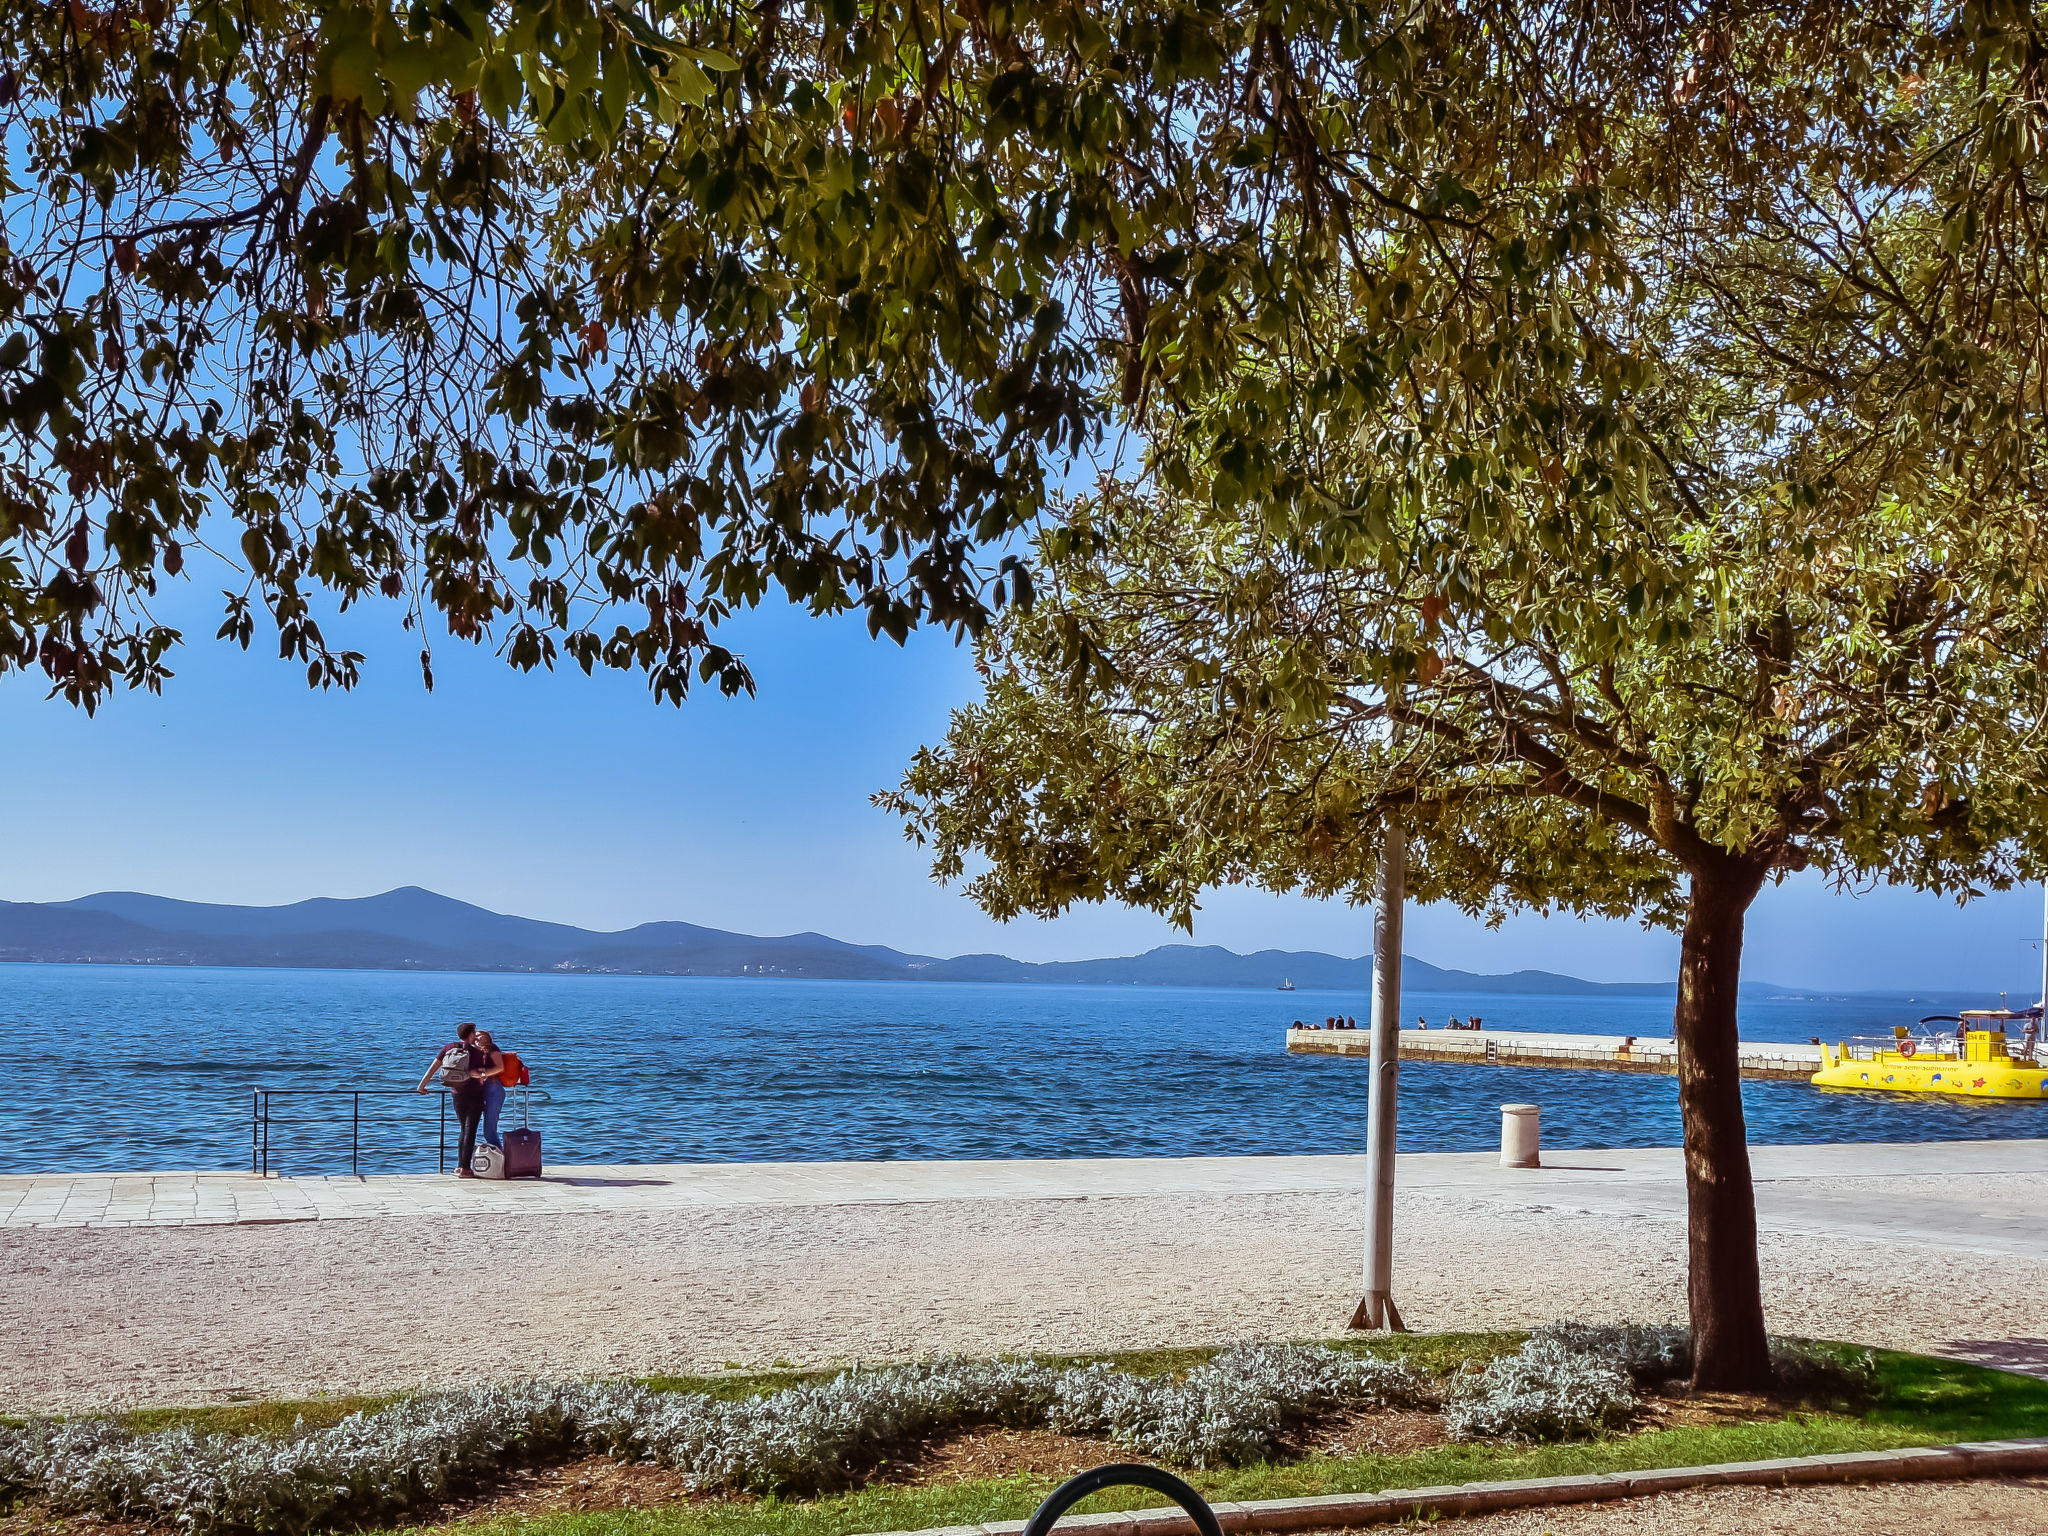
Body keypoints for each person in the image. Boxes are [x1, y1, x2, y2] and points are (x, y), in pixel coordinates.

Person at [417, 1021, 487, 1178]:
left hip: (456, 1094)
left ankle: (459, 1166)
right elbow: (481, 1075)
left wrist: (421, 1086)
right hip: (474, 1095)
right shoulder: (476, 1052)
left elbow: (433, 1068)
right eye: (474, 1033)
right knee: (471, 1131)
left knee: (463, 1129)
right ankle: (465, 1169)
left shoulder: (448, 1048)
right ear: (471, 1035)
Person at [474, 1029, 507, 1151]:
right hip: (480, 1090)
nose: (477, 1038)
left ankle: (502, 1159)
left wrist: (484, 1074)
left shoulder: (492, 1048)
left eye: (480, 1035)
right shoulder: (473, 1050)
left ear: (487, 1037)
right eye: (475, 1036)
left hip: (493, 1088)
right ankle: (498, 1158)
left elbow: (500, 1067)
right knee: (481, 1129)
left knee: (489, 1130)